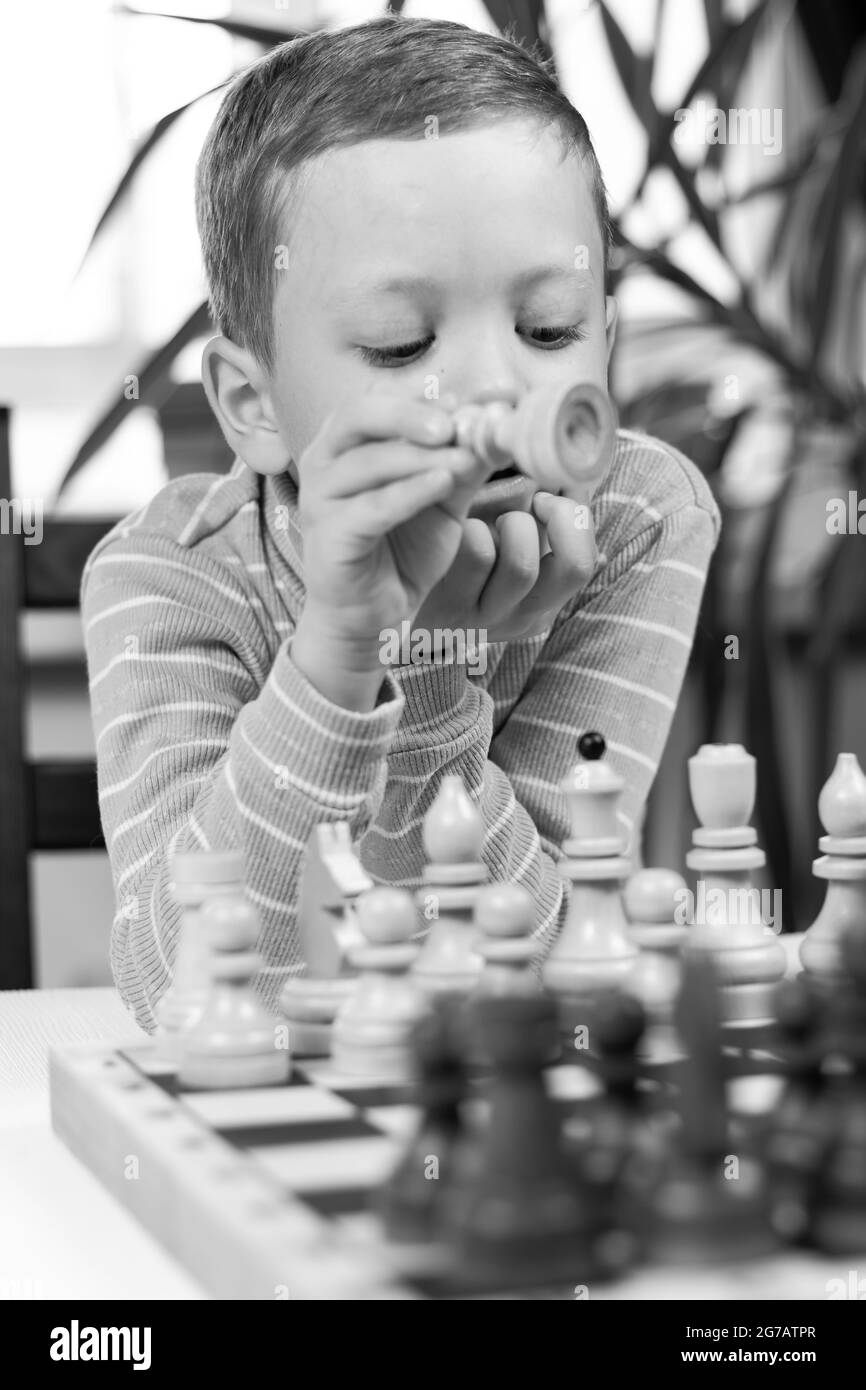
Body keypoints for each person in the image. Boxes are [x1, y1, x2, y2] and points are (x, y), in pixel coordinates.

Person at [82, 16, 720, 1031]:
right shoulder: (169, 574)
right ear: (253, 407)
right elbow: (181, 984)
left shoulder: (635, 519)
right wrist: (353, 648)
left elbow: (552, 960)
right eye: (398, 343)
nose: (493, 381)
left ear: (604, 337)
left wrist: (429, 675)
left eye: (548, 327)